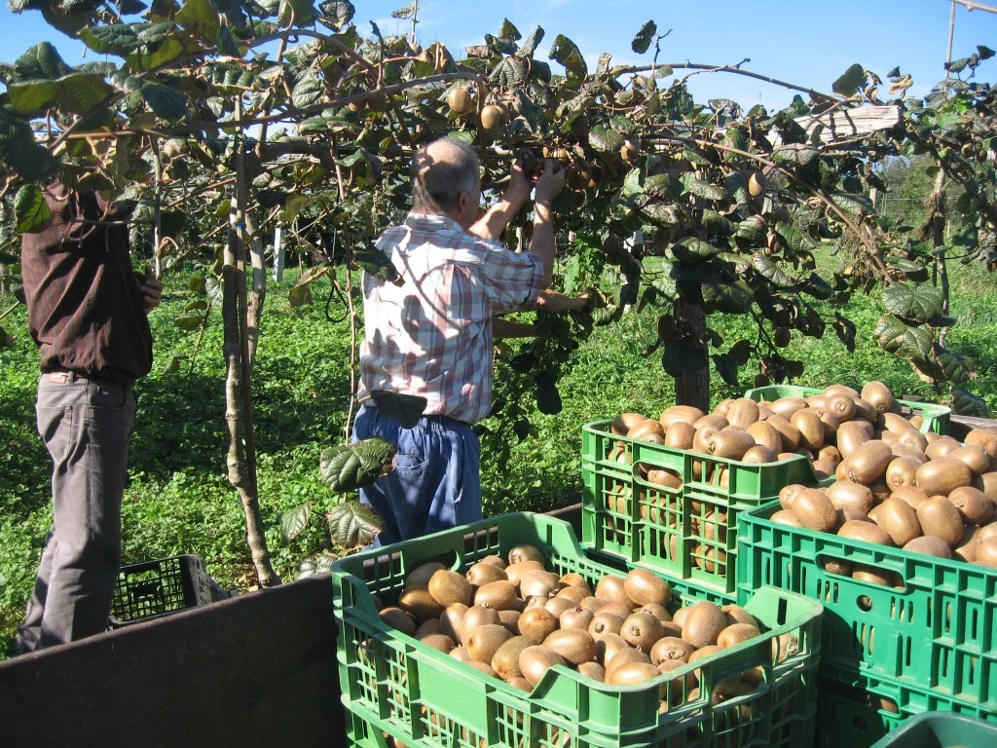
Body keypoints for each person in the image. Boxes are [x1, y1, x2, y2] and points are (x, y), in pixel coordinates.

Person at [353, 137, 575, 545]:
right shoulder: (471, 258)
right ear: (463, 199)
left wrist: (516, 193)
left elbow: (467, 240)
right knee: (441, 576)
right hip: (432, 438)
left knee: (382, 563)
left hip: (370, 428)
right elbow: (536, 271)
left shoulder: (387, 244)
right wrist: (543, 202)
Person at [13, 185, 163, 654]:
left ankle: (30, 664)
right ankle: (61, 687)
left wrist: (132, 299)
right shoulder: (62, 196)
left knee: (71, 536)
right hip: (85, 395)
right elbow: (110, 192)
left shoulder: (88, 225)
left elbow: (87, 296)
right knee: (89, 547)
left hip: (88, 395)